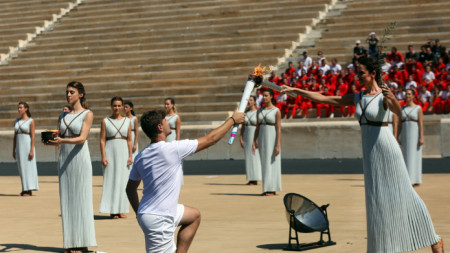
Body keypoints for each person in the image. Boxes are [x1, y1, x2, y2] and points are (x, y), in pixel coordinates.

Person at [281, 56, 444, 253]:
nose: (357, 76)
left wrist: (391, 97)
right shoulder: (357, 97)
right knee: (376, 201)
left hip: (388, 150)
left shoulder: (384, 95)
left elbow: (398, 112)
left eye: (361, 72)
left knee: (406, 194)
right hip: (370, 153)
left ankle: (434, 239)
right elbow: (325, 98)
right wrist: (296, 90)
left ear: (373, 73)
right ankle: (383, 248)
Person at [126, 109, 245, 253]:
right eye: (165, 121)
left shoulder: (141, 156)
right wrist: (232, 120)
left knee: (194, 216)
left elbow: (130, 189)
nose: (168, 122)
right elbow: (210, 139)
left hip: (150, 212)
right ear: (160, 127)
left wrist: (140, 214)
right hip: (160, 218)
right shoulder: (173, 149)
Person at [48, 81, 96, 253]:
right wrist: (52, 141)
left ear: (80, 95)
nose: (68, 95)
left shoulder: (88, 114)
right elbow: (59, 138)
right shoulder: (62, 117)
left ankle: (82, 244)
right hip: (64, 161)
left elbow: (82, 139)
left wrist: (62, 140)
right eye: (67, 92)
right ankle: (70, 243)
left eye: (72, 92)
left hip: (80, 160)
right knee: (67, 202)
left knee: (82, 200)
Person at [99, 97, 133, 219]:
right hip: (110, 151)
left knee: (123, 181)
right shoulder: (105, 121)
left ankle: (121, 209)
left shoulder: (128, 121)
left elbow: (129, 139)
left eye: (119, 106)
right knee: (111, 180)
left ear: (123, 106)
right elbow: (102, 140)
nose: (117, 108)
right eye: (114, 105)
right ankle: (112, 210)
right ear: (111, 106)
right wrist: (103, 155)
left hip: (123, 151)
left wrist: (130, 155)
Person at [252, 89, 282, 196]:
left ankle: (272, 189)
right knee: (264, 163)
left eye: (266, 96)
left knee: (272, 162)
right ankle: (266, 188)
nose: (264, 98)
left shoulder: (276, 111)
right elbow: (257, 127)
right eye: (263, 96)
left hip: (272, 138)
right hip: (262, 138)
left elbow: (278, 128)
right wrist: (254, 140)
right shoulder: (259, 111)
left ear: (271, 97)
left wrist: (278, 144)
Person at [12, 102, 39, 196]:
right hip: (19, 146)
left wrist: (32, 150)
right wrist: (13, 149)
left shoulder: (31, 121)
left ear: (26, 109)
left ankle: (29, 189)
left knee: (28, 167)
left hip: (27, 145)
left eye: (21, 108)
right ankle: (24, 188)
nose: (19, 109)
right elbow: (15, 136)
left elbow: (33, 136)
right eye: (18, 108)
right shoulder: (16, 121)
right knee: (21, 167)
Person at [399, 89, 424, 187]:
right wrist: (396, 136)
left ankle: (415, 179)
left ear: (413, 96)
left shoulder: (418, 108)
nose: (407, 96)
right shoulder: (402, 108)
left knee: (415, 155)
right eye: (406, 94)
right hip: (405, 133)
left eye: (409, 94)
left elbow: (421, 124)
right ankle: (407, 179)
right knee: (405, 156)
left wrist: (421, 137)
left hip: (414, 133)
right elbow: (400, 124)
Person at [239, 96, 262, 185]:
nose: (249, 101)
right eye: (248, 100)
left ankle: (255, 178)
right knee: (248, 157)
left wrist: (257, 139)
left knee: (254, 156)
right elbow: (243, 127)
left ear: (255, 102)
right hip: (246, 136)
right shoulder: (245, 113)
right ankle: (251, 178)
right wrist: (241, 138)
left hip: (254, 134)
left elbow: (259, 127)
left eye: (251, 100)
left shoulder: (258, 112)